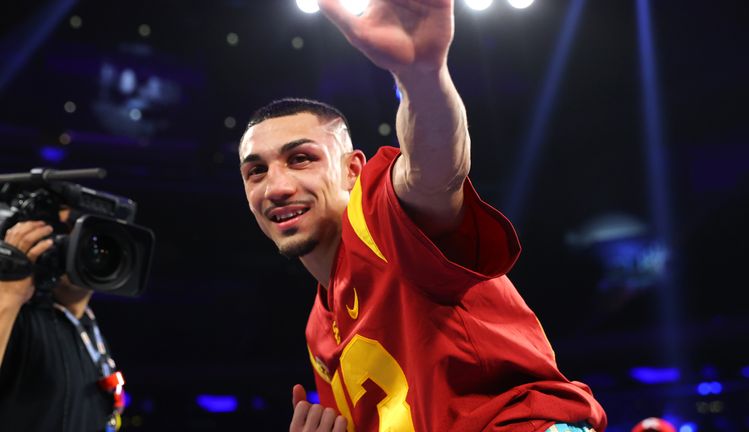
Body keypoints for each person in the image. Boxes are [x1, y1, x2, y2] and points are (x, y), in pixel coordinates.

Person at [238, 0, 608, 430]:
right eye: (256, 171)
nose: (277, 187)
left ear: (353, 171)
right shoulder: (318, 331)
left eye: (301, 159)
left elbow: (434, 174)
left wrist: (422, 76)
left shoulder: (382, 219)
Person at [0, 212, 125, 432]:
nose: (84, 249)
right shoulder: (21, 316)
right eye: (68, 234)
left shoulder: (87, 326)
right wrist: (9, 291)